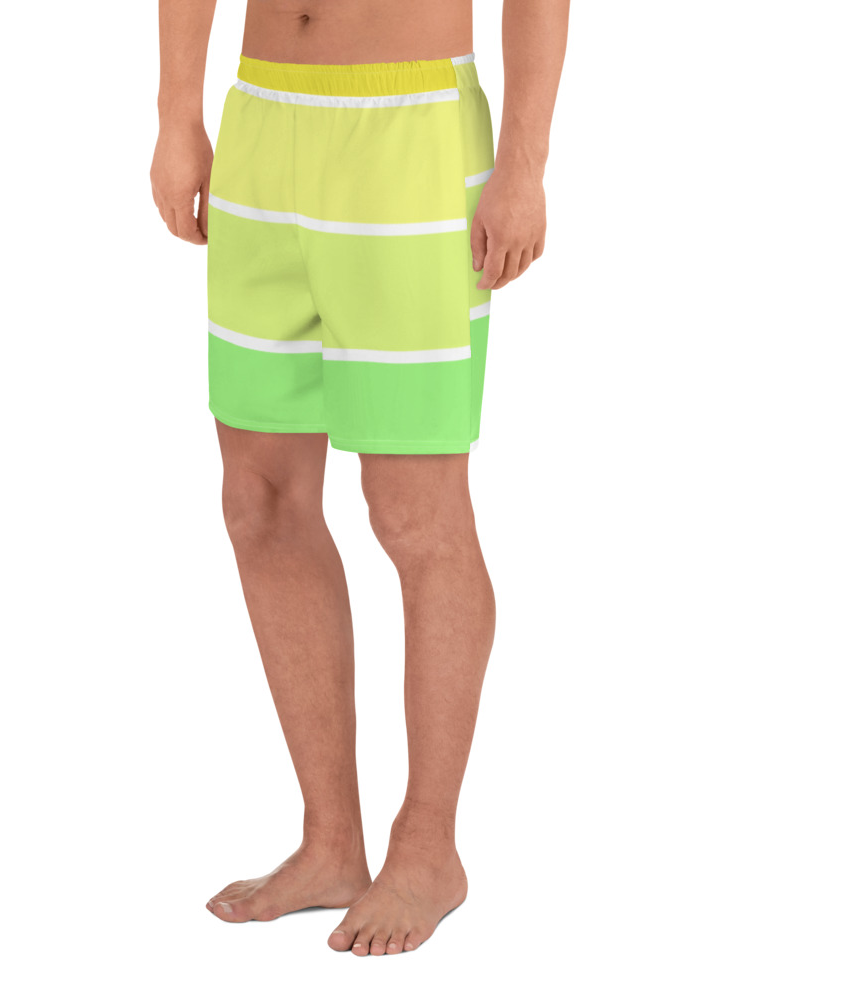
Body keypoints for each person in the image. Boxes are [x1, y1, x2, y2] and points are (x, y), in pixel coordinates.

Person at [150, 0, 569, 956]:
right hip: (262, 120)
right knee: (258, 497)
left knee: (416, 511)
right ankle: (330, 842)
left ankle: (428, 849)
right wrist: (177, 113)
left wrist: (525, 164)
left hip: (411, 134)